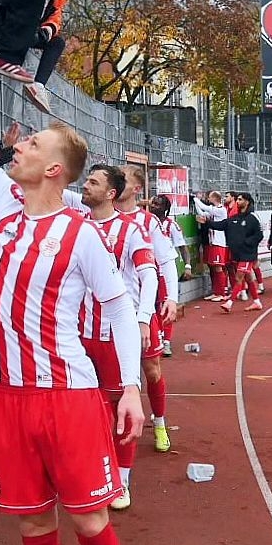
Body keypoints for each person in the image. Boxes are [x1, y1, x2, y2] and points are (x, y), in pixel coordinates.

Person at [0, 10, 144, 545]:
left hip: (67, 396)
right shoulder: (4, 207)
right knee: (33, 526)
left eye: (32, 143)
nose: (20, 146)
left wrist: (129, 388)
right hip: (10, 396)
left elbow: (120, 309)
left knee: (89, 520)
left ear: (55, 169)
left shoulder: (81, 235)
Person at [77, 164, 157, 511]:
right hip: (78, 334)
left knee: (121, 407)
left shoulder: (132, 230)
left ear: (111, 193)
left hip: (113, 335)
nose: (85, 185)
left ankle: (121, 480)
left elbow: (149, 275)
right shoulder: (75, 225)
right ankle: (89, 469)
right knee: (82, 407)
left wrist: (143, 319)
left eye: (93, 182)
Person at [115, 166, 178, 452]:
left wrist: (172, 297)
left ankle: (160, 423)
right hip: (102, 314)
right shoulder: (93, 217)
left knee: (151, 370)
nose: (118, 183)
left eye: (124, 180)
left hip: (139, 310)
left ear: (137, 188)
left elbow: (165, 261)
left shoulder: (147, 222)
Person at [19, 0, 83, 112]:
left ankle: (38, 86)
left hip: (29, 31)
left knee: (58, 42)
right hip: (14, 23)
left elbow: (56, 20)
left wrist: (46, 32)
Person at [197, 192, 263, 312]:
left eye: (240, 199)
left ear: (247, 202)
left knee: (239, 277)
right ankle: (256, 302)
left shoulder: (252, 218)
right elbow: (221, 225)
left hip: (247, 254)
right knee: (248, 278)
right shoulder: (233, 219)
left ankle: (229, 302)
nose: (237, 201)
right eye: (237, 199)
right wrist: (207, 222)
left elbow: (259, 235)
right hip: (237, 254)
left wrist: (247, 244)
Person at [149, 194, 192, 358]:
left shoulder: (171, 225)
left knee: (165, 303)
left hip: (165, 269)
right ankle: (156, 336)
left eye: (157, 204)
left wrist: (187, 266)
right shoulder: (145, 221)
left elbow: (182, 247)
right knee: (151, 304)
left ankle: (166, 340)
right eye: (153, 203)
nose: (153, 206)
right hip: (148, 268)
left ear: (165, 208)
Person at [193, 191, 229, 302]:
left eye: (210, 197)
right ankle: (216, 292)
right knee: (213, 268)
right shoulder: (214, 210)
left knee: (218, 267)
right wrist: (196, 203)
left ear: (214, 198)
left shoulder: (221, 210)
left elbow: (204, 207)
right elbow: (202, 212)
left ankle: (222, 293)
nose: (208, 199)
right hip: (212, 242)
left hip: (219, 242)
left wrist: (195, 199)